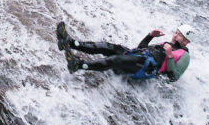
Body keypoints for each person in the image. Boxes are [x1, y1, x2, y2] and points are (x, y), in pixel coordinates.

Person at [56, 21, 194, 81]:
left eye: (180, 35)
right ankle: (70, 43)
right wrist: (150, 36)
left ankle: (79, 65)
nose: (175, 36)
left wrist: (169, 56)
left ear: (187, 41)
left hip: (145, 68)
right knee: (108, 47)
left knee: (116, 61)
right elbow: (142, 48)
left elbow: (173, 77)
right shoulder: (166, 43)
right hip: (139, 57)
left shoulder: (185, 56)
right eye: (176, 33)